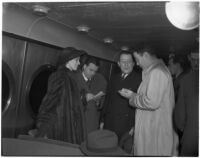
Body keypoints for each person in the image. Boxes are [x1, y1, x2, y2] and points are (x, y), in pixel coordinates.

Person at [119, 45, 177, 156]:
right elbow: (151, 98)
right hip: (152, 130)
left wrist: (132, 98)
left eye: (137, 59)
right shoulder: (154, 72)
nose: (137, 63)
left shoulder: (157, 72)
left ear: (145, 55)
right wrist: (134, 94)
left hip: (154, 134)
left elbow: (151, 102)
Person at [28, 47, 86, 145]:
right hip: (61, 129)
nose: (79, 63)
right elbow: (49, 104)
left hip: (69, 126)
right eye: (76, 60)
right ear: (67, 60)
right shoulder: (59, 76)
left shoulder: (70, 77)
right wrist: (42, 129)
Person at [100, 51, 141, 141]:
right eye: (123, 61)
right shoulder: (113, 78)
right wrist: (102, 120)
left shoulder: (140, 80)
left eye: (129, 62)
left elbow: (141, 105)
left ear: (133, 64)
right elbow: (107, 100)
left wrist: (135, 126)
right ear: (118, 64)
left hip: (126, 125)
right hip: (109, 122)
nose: (126, 64)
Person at [174, 49, 199, 156]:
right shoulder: (185, 80)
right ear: (189, 59)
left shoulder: (186, 80)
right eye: (194, 60)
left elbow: (180, 118)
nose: (196, 63)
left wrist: (189, 128)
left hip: (191, 138)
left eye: (198, 60)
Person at [74, 56, 107, 134]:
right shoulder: (73, 78)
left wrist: (98, 102)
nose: (93, 73)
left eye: (95, 71)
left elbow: (103, 103)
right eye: (91, 70)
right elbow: (68, 99)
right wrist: (83, 98)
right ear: (84, 66)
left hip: (91, 123)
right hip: (76, 120)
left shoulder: (101, 80)